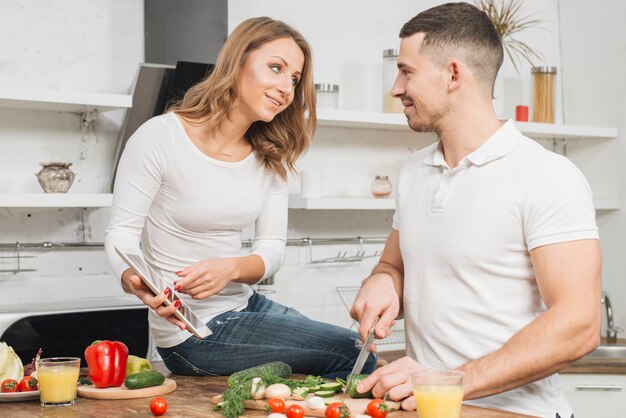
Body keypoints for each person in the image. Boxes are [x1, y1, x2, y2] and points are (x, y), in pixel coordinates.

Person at [350, 3, 600, 418]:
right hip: (433, 411)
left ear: (452, 74)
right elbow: (394, 266)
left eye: (406, 71)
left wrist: (446, 382)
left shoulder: (546, 175)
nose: (396, 88)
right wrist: (382, 282)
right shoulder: (414, 171)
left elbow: (579, 324)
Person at [105, 16, 375, 379]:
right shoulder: (161, 138)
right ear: (238, 62)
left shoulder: (270, 153)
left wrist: (230, 268)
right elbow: (121, 235)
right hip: (193, 333)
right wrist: (136, 281)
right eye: (276, 68)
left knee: (360, 354)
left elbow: (272, 249)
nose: (286, 87)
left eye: (294, 79)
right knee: (351, 354)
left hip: (246, 306)